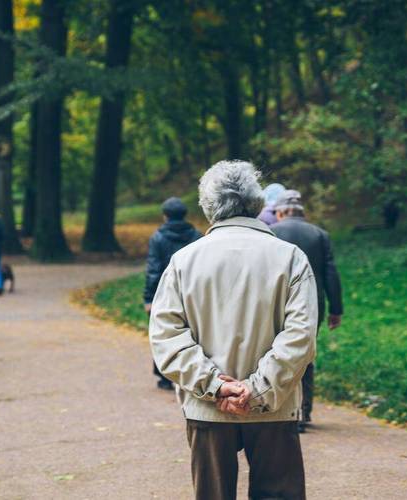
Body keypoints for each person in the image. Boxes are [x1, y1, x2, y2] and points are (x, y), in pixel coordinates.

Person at [149, 160, 317, 500]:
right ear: (257, 204)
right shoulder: (290, 258)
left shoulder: (184, 261)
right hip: (275, 407)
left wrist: (214, 385)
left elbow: (166, 335)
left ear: (208, 207)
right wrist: (257, 388)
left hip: (207, 408)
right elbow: (300, 336)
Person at [271, 189, 343, 431]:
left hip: (277, 301)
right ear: (303, 212)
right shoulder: (320, 234)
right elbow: (330, 273)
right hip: (312, 304)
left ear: (280, 212)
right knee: (305, 354)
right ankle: (303, 411)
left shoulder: (271, 232)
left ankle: (278, 408)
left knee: (275, 351)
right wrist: (336, 309)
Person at [143, 197, 201, 390]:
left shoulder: (157, 238)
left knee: (165, 332)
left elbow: (153, 269)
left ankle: (165, 375)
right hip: (192, 292)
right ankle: (189, 373)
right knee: (191, 333)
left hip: (165, 293)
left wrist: (149, 298)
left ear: (165, 215)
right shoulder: (197, 236)